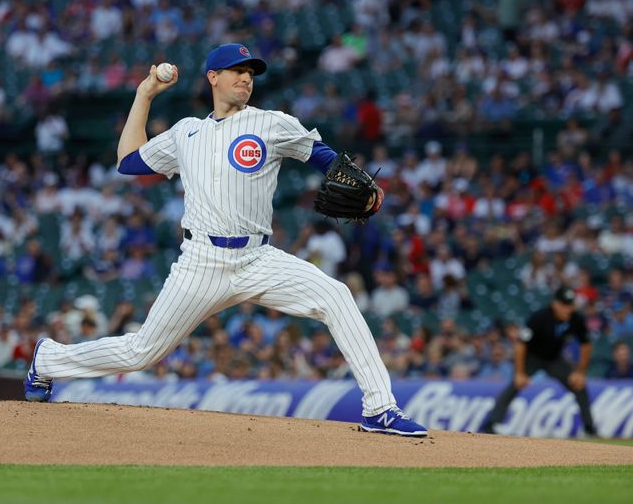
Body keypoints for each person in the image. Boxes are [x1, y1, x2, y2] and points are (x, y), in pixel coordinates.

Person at [23, 43, 426, 436]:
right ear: (213, 77)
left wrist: (363, 184)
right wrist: (143, 94)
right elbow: (128, 161)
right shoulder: (187, 133)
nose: (245, 79)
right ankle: (48, 359)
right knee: (142, 351)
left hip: (258, 259)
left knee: (336, 296)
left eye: (250, 74)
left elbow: (320, 155)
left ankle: (380, 408)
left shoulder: (271, 123)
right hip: (201, 261)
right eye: (237, 71)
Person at [480, 286, 596, 436]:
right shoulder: (540, 317)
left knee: (579, 385)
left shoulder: (576, 318)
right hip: (533, 357)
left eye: (570, 305)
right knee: (516, 384)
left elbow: (586, 345)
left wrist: (580, 372)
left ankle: (589, 428)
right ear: (555, 304)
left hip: (555, 358)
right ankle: (491, 423)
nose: (568, 309)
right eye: (564, 305)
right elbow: (521, 345)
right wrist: (520, 372)